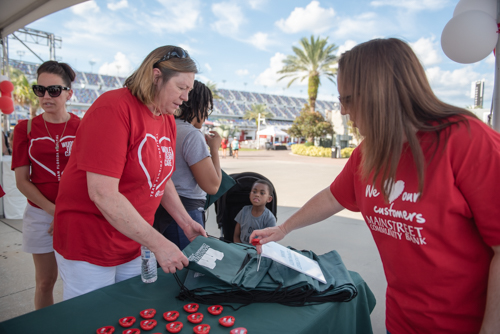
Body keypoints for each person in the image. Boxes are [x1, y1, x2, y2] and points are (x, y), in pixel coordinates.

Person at [251, 38, 500, 334]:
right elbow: (334, 196)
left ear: (377, 93)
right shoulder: (369, 150)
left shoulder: (468, 141)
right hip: (402, 319)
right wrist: (283, 229)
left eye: (347, 99)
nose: (343, 111)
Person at [52, 46, 207, 300]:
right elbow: (103, 194)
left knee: (130, 312)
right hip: (91, 242)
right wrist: (159, 243)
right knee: (94, 316)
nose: (186, 97)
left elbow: (160, 177)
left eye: (189, 90)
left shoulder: (166, 118)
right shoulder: (114, 107)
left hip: (133, 240)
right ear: (156, 77)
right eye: (181, 88)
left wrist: (186, 222)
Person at [11, 60, 80, 309]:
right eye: (40, 90)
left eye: (54, 90)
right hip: (41, 214)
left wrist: (66, 211)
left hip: (76, 213)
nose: (46, 96)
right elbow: (22, 181)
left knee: (77, 280)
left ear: (69, 93)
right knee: (45, 281)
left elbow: (87, 177)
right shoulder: (24, 128)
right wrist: (54, 210)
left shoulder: (83, 127)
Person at [154, 80, 222, 250]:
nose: (207, 114)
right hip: (185, 213)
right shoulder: (191, 134)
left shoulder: (163, 125)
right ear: (197, 105)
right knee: (187, 270)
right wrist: (214, 149)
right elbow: (213, 186)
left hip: (160, 210)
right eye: (207, 107)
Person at [234, 179, 276, 244]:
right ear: (250, 194)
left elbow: (271, 242)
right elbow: (236, 235)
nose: (257, 195)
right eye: (254, 191)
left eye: (262, 193)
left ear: (269, 199)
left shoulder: (269, 218)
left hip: (258, 251)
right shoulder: (244, 211)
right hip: (241, 248)